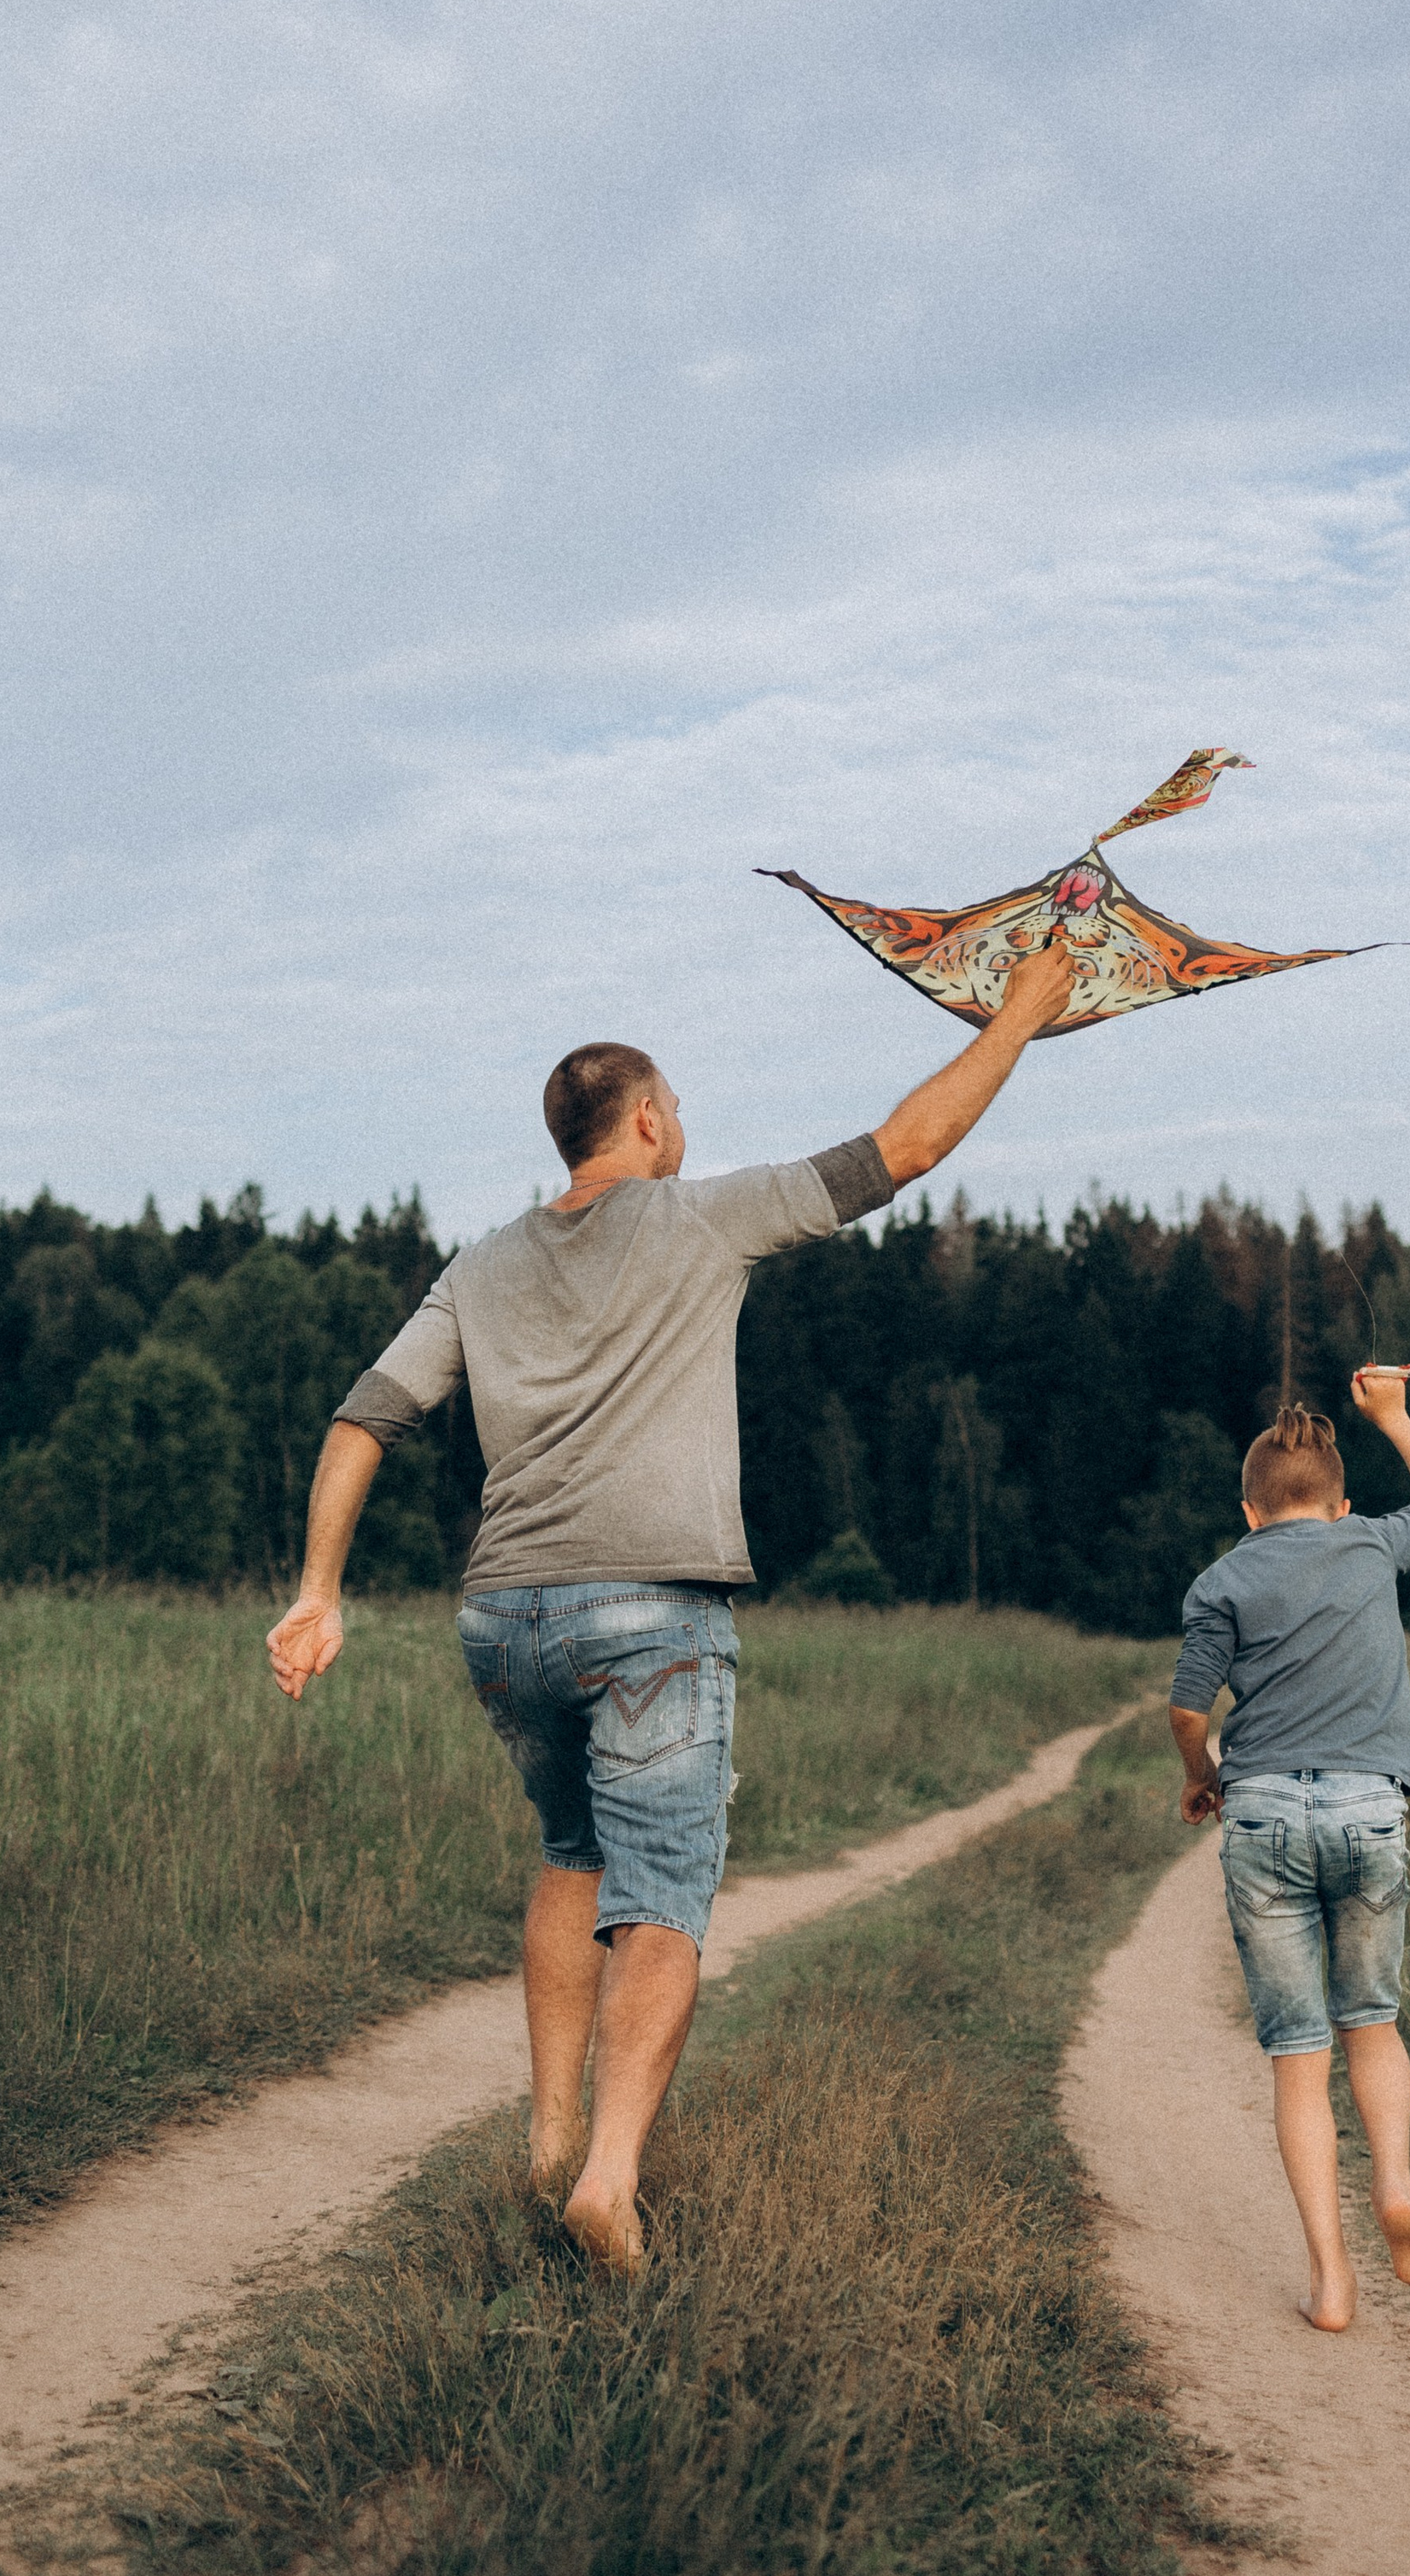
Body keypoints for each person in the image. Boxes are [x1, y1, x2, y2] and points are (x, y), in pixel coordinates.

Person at [266, 939, 1075, 2271]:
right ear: (647, 1123)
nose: (685, 1127)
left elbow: (365, 1420)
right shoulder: (704, 1216)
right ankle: (608, 2179)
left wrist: (318, 1590)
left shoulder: (476, 1269)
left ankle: (546, 2136)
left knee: (570, 1855)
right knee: (662, 1899)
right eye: (679, 1108)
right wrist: (1024, 1017)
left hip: (505, 1618)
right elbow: (907, 1148)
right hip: (650, 1614)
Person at [1167, 1368, 1410, 2331]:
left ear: (1248, 1511)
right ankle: (1393, 2189)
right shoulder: (1373, 1542)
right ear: (1340, 1503)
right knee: (1369, 2020)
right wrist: (1392, 1415)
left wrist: (1199, 1776)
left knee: (1297, 2057)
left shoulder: (1222, 1577)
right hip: (1369, 1809)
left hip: (1260, 1817)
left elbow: (1186, 1707)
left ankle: (1331, 2282)